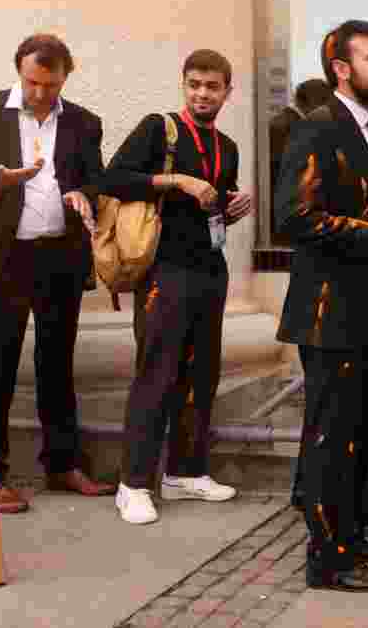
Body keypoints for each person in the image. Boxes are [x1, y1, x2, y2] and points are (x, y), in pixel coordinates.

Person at [275, 19, 368, 593]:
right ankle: (329, 560)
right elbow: (294, 218)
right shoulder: (319, 129)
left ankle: (348, 535)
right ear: (341, 69)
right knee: (331, 438)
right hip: (329, 315)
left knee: (357, 434)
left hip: (367, 313)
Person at [0, 34, 114, 514]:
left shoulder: (84, 122)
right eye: (33, 82)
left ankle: (63, 463)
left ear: (65, 77)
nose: (41, 94)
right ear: (19, 70)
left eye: (51, 85)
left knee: (58, 364)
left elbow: (95, 178)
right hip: (0, 260)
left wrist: (83, 194)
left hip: (59, 258)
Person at [99, 49, 251, 525]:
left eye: (212, 86)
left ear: (228, 90)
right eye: (194, 85)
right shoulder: (158, 127)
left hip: (209, 267)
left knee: (201, 373)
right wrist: (179, 180)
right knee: (156, 373)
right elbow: (113, 179)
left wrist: (230, 205)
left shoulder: (227, 146)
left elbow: (209, 209)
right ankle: (133, 484)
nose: (202, 94)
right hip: (164, 270)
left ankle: (185, 473)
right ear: (184, 86)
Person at [269, 79, 331, 244]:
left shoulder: (286, 122)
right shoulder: (290, 126)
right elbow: (286, 174)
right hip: (287, 214)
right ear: (314, 102)